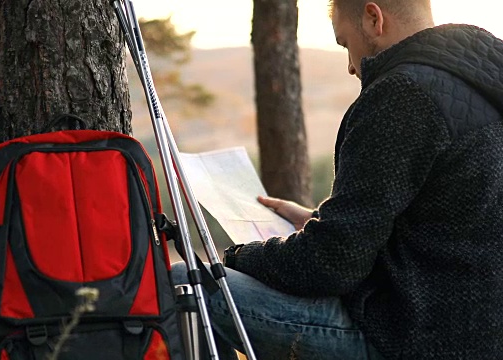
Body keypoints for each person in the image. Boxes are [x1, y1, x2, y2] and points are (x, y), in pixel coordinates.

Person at [171, 0, 503, 359]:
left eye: (345, 44)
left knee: (185, 283)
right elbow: (453, 219)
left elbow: (330, 265)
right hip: (478, 331)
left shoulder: (404, 94)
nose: (350, 66)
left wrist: (235, 257)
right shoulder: (482, 81)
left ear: (374, 18)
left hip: (416, 339)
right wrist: (320, 219)